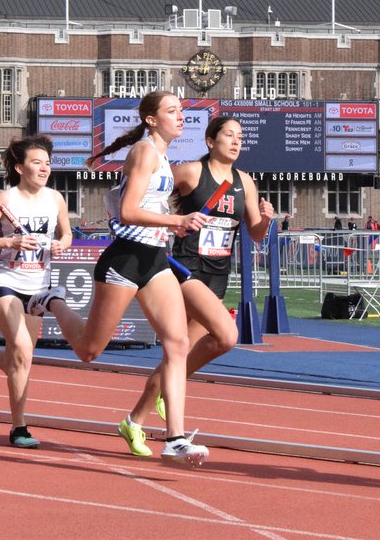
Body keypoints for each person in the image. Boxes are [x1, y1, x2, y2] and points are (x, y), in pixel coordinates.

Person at [25, 91, 210, 465]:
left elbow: (141, 208)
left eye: (183, 111)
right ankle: (53, 301)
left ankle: (174, 438)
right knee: (89, 350)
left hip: (155, 260)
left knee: (177, 344)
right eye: (172, 111)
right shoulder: (143, 152)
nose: (182, 117)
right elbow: (127, 211)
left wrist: (171, 229)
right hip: (124, 260)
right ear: (151, 119)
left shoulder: (162, 157)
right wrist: (178, 220)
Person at [116, 116, 274, 457]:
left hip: (217, 274)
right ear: (210, 141)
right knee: (227, 335)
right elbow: (146, 194)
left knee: (179, 354)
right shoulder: (188, 172)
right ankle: (170, 405)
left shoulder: (245, 183)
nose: (235, 142)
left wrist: (267, 218)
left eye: (240, 137)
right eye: (228, 135)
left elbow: (256, 233)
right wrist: (168, 223)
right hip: (183, 270)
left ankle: (134, 420)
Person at [0, 135, 72, 448]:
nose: (44, 168)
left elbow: (67, 232)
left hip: (38, 288)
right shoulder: (6, 200)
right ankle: (19, 428)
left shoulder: (56, 198)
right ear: (20, 168)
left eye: (47, 163)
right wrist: (10, 242)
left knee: (19, 360)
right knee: (20, 347)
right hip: (6, 281)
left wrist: (62, 244)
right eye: (37, 162)